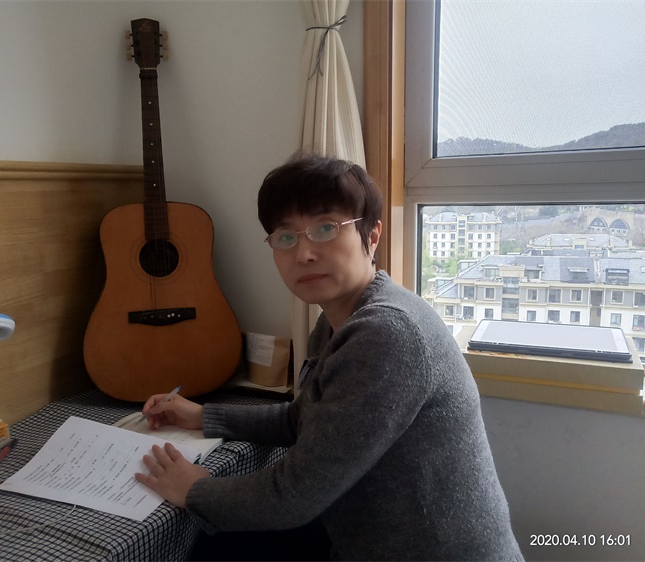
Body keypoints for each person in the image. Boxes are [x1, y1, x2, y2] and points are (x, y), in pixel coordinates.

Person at [135, 154, 524, 561]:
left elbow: (293, 496)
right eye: (285, 236)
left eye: (325, 229)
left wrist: (195, 489)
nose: (303, 253)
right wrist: (203, 416)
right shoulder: (339, 318)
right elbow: (304, 418)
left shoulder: (386, 333)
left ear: (372, 235)